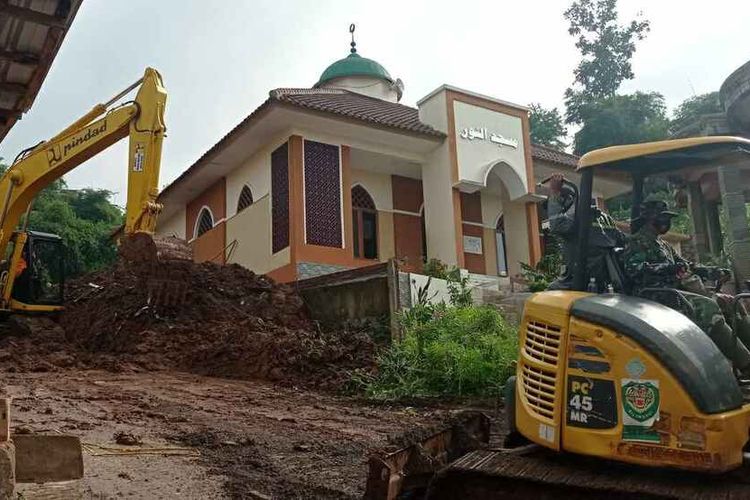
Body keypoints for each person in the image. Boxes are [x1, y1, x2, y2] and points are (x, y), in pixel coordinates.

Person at [623, 199, 750, 373]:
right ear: (649, 219)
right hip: (653, 295)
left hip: (675, 292)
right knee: (708, 308)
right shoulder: (635, 242)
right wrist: (667, 268)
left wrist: (711, 271)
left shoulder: (664, 245)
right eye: (662, 218)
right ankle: (746, 364)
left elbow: (686, 265)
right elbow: (634, 269)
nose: (666, 222)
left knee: (731, 303)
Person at [546, 173, 627, 291]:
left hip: (581, 279)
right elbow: (622, 239)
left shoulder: (577, 218)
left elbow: (557, 225)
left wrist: (554, 193)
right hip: (607, 280)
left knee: (548, 294)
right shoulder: (606, 219)